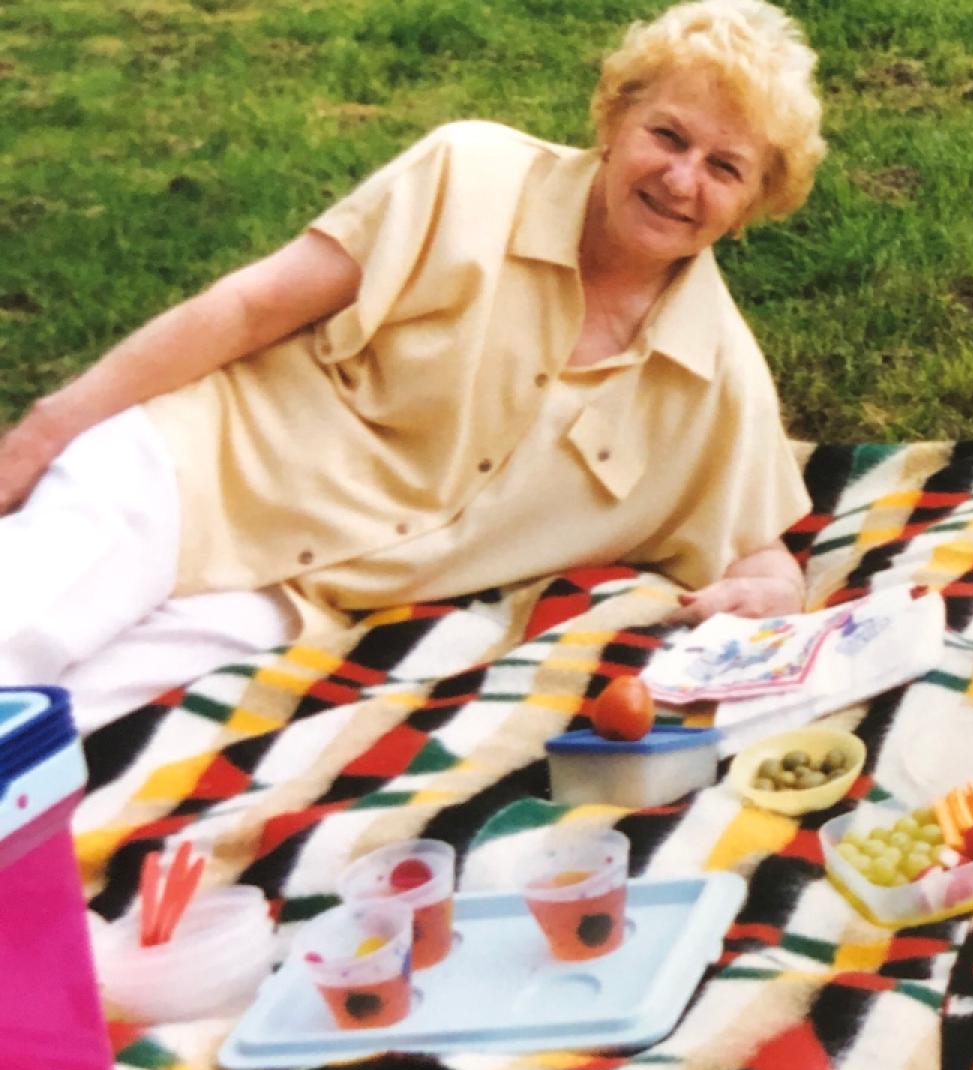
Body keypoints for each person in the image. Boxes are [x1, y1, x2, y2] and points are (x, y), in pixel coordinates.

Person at [0, 0, 825, 731]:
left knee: (45, 750)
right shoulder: (469, 173)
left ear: (753, 203)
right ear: (613, 120)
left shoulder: (716, 376)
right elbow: (253, 306)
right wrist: (48, 431)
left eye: (725, 168)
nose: (682, 179)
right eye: (667, 135)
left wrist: (775, 591)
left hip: (286, 604)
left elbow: (757, 547)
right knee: (15, 640)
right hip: (192, 475)